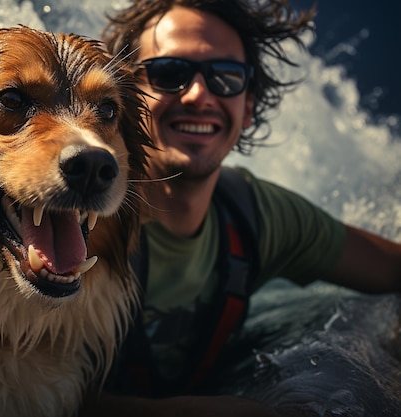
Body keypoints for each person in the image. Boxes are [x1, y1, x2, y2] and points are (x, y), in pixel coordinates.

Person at [79, 0, 401, 416]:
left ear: (247, 108)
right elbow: (22, 396)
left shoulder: (256, 216)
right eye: (169, 74)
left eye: (226, 78)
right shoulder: (77, 220)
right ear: (124, 96)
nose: (198, 95)